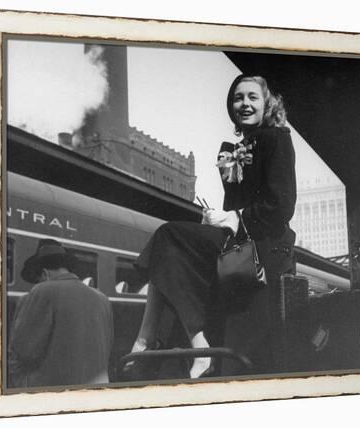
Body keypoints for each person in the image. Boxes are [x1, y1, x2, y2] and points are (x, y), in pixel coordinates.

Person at [128, 74, 297, 379]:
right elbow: (234, 205)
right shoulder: (236, 149)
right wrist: (216, 218)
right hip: (240, 243)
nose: (244, 103)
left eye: (252, 97)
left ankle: (148, 339)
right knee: (168, 249)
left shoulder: (276, 138)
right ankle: (172, 341)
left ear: (266, 103)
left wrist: (234, 218)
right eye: (237, 98)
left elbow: (282, 205)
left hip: (264, 246)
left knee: (168, 236)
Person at [8, 239, 114, 387]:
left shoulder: (42, 291)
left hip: (52, 392)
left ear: (44, 274)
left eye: (37, 280)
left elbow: (23, 352)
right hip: (98, 388)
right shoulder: (102, 298)